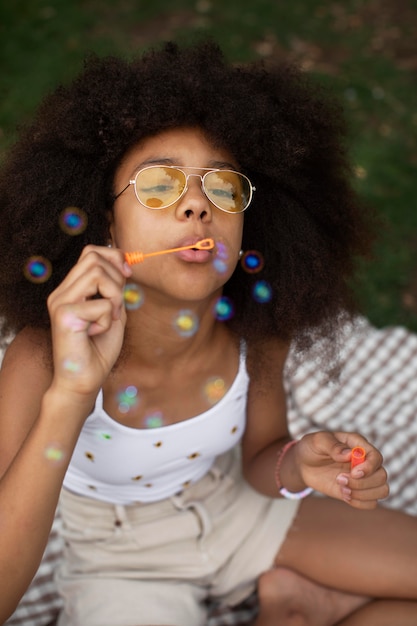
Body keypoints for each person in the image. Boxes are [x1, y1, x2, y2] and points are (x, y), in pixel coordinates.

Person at [0, 40, 416, 626]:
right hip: (124, 562)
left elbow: (260, 458)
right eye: (159, 186)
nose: (198, 204)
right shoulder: (43, 354)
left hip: (240, 511)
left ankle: (295, 600)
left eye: (223, 188)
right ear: (109, 226)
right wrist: (71, 392)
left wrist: (299, 465)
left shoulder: (257, 327)